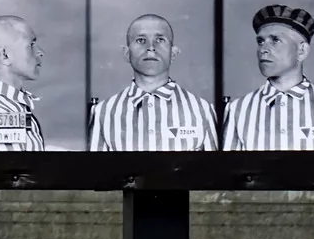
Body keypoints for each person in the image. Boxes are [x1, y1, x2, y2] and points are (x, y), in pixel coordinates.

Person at [88, 14, 220, 152]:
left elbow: (216, 171)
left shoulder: (201, 110)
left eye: (160, 40)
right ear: (127, 53)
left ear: (173, 53)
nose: (151, 47)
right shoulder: (103, 112)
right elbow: (96, 171)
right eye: (141, 40)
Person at [222, 4, 314, 150]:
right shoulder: (237, 110)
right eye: (260, 41)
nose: (263, 50)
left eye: (275, 40)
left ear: (302, 50)